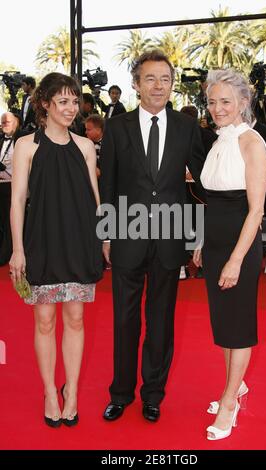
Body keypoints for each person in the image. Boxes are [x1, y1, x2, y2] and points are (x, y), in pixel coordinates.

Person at [100, 50, 205, 422]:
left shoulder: (187, 127)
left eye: (164, 79)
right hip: (127, 233)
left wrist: (207, 232)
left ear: (172, 84)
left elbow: (204, 182)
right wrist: (106, 235)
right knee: (124, 319)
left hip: (169, 235)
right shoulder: (117, 127)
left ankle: (153, 394)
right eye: (150, 78)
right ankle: (120, 392)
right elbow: (108, 183)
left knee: (161, 320)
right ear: (136, 83)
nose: (158, 86)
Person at [9, 72, 102, 428]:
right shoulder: (26, 146)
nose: (71, 108)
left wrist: (103, 239)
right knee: (45, 321)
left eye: (74, 101)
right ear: (45, 104)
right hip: (42, 243)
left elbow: (94, 200)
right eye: (62, 101)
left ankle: (72, 391)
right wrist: (18, 249)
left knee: (75, 319)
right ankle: (50, 390)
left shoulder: (85, 146)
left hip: (80, 241)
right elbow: (17, 201)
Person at [193, 69, 266, 440]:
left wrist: (236, 259)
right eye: (211, 101)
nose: (218, 108)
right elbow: (213, 202)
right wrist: (203, 243)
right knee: (223, 324)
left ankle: (229, 403)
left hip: (240, 245)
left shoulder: (252, 142)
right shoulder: (219, 141)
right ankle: (233, 386)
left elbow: (255, 211)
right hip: (217, 241)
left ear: (243, 102)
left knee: (237, 327)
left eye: (225, 101)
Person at [0, 112, 20, 265]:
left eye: (7, 122)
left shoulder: (23, 139)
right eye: (2, 122)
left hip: (15, 187)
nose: (3, 125)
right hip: (1, 186)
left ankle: (7, 252)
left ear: (17, 122)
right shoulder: (1, 140)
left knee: (9, 221)